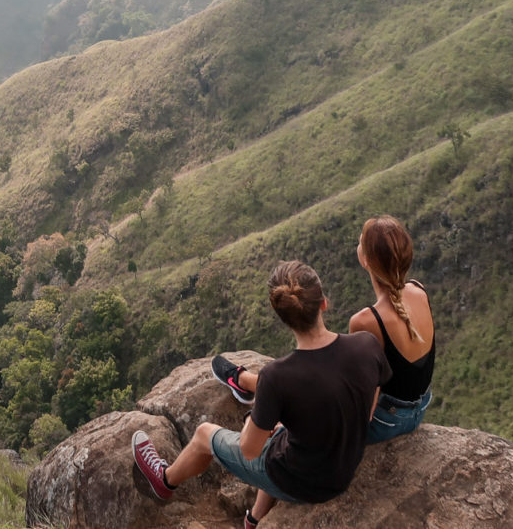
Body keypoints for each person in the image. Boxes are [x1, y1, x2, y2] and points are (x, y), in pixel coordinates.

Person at [132, 261, 389, 529]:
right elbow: (366, 410)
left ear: (282, 317)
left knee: (204, 435)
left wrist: (250, 423)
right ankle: (253, 520)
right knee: (282, 434)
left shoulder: (277, 376)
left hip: (302, 482)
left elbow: (249, 450)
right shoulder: (366, 345)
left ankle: (165, 480)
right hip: (344, 470)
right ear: (324, 303)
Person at [212, 215, 435, 444]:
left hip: (387, 422)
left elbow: (364, 400)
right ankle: (247, 383)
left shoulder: (367, 321)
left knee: (318, 389)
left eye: (360, 242)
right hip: (419, 408)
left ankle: (247, 383)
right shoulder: (419, 290)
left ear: (365, 260)